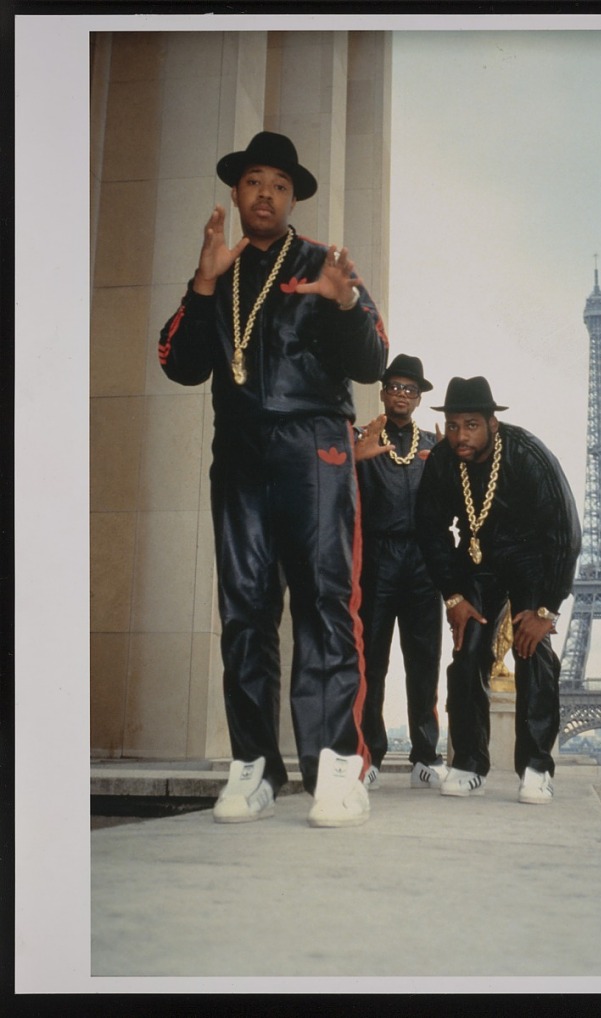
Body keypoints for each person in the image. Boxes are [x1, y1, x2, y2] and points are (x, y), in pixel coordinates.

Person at [158, 131, 388, 828]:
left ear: (293, 199)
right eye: (255, 181)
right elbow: (179, 363)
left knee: (323, 601)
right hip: (240, 453)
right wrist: (200, 286)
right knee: (246, 609)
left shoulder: (323, 264)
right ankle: (254, 764)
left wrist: (344, 306)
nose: (266, 194)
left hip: (314, 443)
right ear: (236, 192)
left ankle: (338, 767)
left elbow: (374, 361)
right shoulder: (217, 272)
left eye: (280, 186)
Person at [415, 376, 581, 803]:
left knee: (532, 651)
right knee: (467, 650)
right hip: (477, 561)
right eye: (452, 425)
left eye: (470, 425)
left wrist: (546, 610)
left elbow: (565, 533)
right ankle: (469, 763)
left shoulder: (528, 455)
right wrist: (453, 596)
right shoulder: (443, 462)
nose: (459, 436)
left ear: (492, 422)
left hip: (531, 561)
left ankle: (536, 767)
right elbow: (430, 531)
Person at [355, 354, 447, 791]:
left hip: (423, 561)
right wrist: (355, 457)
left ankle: (425, 756)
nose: (402, 395)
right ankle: (368, 753)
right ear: (383, 391)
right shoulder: (363, 438)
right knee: (372, 661)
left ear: (419, 397)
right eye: (395, 387)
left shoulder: (434, 444)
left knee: (424, 662)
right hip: (378, 556)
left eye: (411, 389)